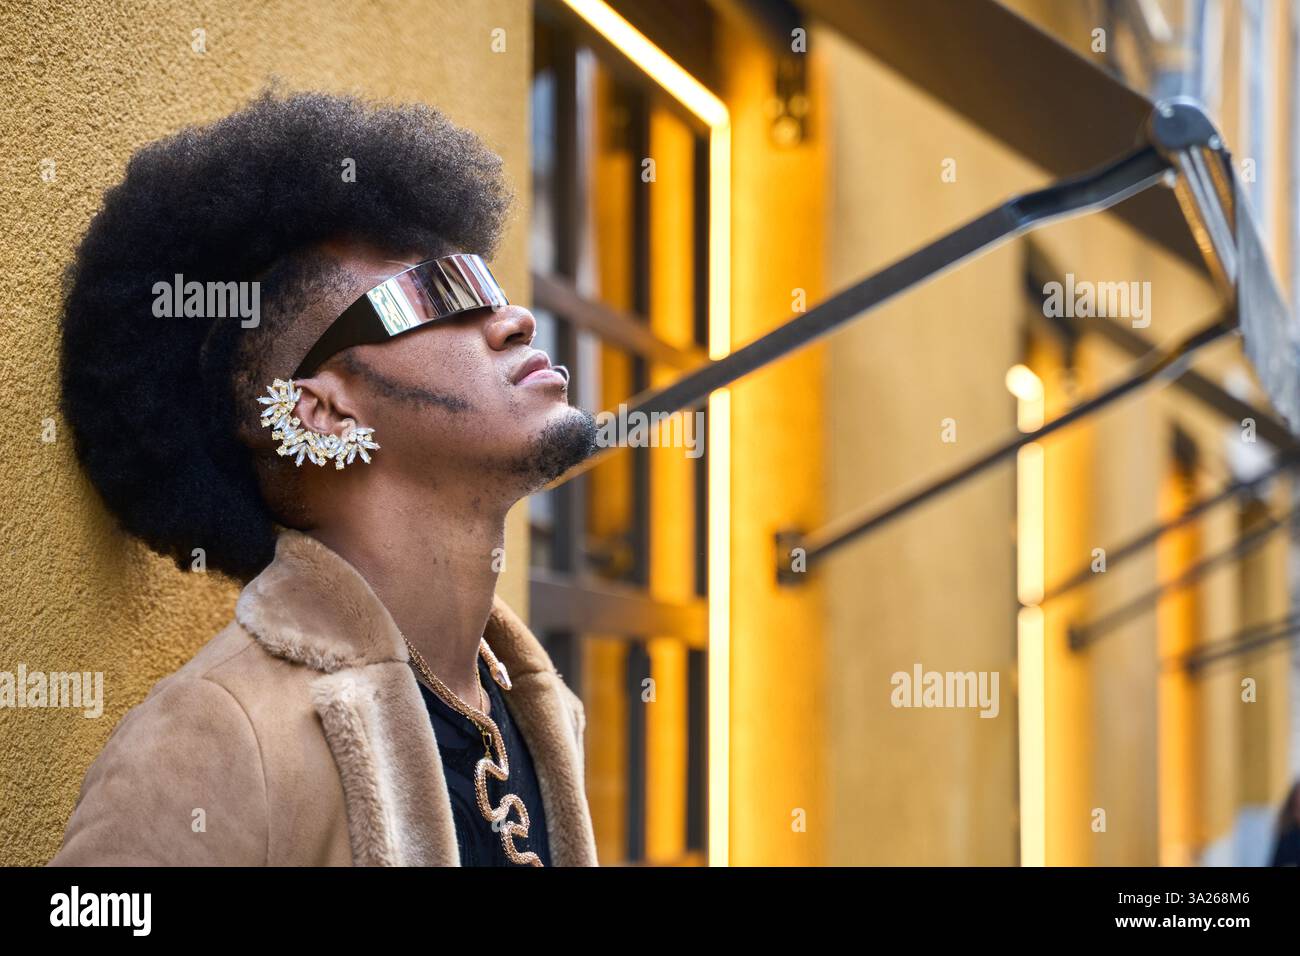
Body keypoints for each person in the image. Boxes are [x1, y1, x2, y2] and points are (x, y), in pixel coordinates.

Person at [47, 89, 600, 866]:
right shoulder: (215, 738)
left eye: (489, 284)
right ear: (321, 412)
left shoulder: (539, 714)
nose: (514, 319)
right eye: (443, 295)